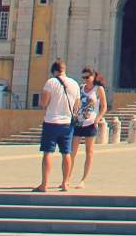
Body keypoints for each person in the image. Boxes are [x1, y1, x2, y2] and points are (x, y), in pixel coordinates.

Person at [35, 59, 80, 192]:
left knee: (48, 152)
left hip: (51, 122)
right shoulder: (75, 84)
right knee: (66, 153)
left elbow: (43, 103)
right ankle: (65, 183)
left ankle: (44, 184)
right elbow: (76, 107)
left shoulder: (51, 82)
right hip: (67, 124)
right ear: (64, 70)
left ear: (54, 71)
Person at [72, 67, 107, 189]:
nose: (85, 79)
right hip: (78, 123)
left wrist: (98, 118)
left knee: (89, 152)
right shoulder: (80, 88)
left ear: (93, 76)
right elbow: (76, 103)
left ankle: (83, 180)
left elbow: (104, 106)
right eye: (83, 77)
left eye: (87, 77)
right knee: (72, 152)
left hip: (91, 123)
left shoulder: (99, 89)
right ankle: (67, 178)